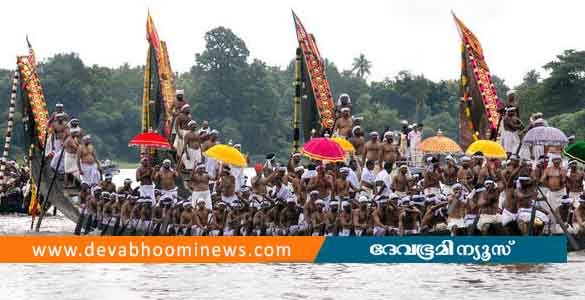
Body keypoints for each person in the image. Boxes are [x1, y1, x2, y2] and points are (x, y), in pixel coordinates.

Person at [540, 155, 567, 220]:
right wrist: (548, 184)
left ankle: (560, 224)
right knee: (551, 209)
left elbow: (563, 181)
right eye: (555, 162)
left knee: (560, 210)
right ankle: (551, 224)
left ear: (560, 162)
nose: (557, 163)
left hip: (560, 192)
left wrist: (562, 175)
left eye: (558, 162)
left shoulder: (563, 169)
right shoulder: (548, 170)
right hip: (551, 192)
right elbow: (542, 180)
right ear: (552, 162)